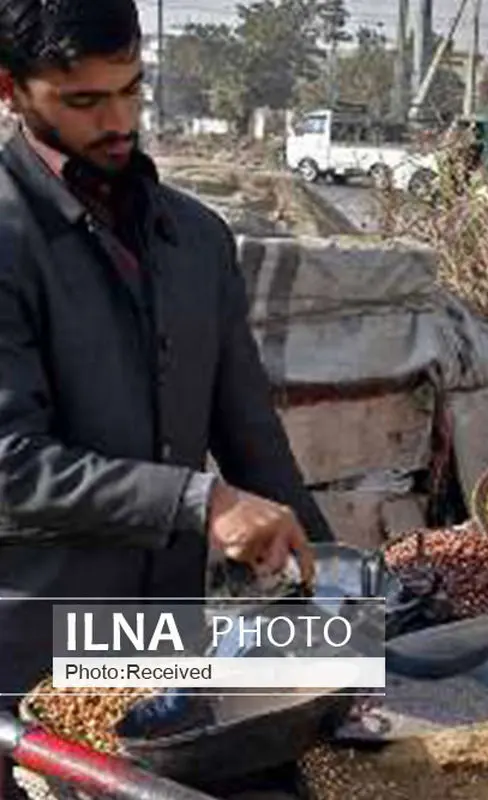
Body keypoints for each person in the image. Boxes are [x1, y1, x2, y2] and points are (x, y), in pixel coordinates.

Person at [0, 1, 332, 789]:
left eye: (132, 90)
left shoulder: (196, 237)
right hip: (32, 646)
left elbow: (248, 429)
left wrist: (338, 587)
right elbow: (10, 464)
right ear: (10, 89)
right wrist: (201, 502)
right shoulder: (9, 241)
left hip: (160, 638)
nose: (118, 121)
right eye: (83, 101)